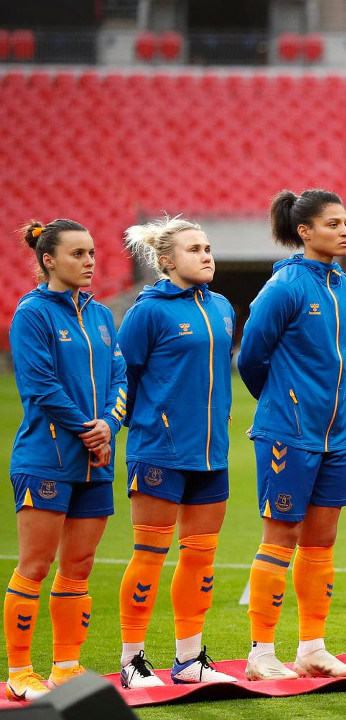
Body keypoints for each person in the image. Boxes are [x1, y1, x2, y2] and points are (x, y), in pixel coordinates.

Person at [237, 189, 346, 680]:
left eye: (345, 222)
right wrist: (280, 401)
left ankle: (312, 647)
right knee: (280, 539)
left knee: (321, 543)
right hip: (287, 433)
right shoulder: (284, 287)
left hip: (336, 434)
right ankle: (261, 653)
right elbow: (251, 356)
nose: (344, 231)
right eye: (333, 224)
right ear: (304, 231)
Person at [115, 217, 237, 687]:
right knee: (149, 555)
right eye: (194, 249)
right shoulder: (147, 312)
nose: (206, 255)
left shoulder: (222, 307)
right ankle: (132, 661)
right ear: (166, 261)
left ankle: (189, 661)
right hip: (159, 453)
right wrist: (148, 425)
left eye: (208, 248)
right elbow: (122, 377)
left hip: (211, 455)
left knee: (200, 560)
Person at [6, 219, 125, 700]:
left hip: (96, 459)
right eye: (78, 254)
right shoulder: (32, 314)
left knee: (79, 565)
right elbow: (40, 386)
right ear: (48, 260)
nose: (90, 261)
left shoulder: (101, 315)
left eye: (92, 252)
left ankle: (66, 667)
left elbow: (120, 378)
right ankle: (19, 672)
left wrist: (109, 424)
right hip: (46, 458)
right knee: (36, 565)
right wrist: (88, 429)